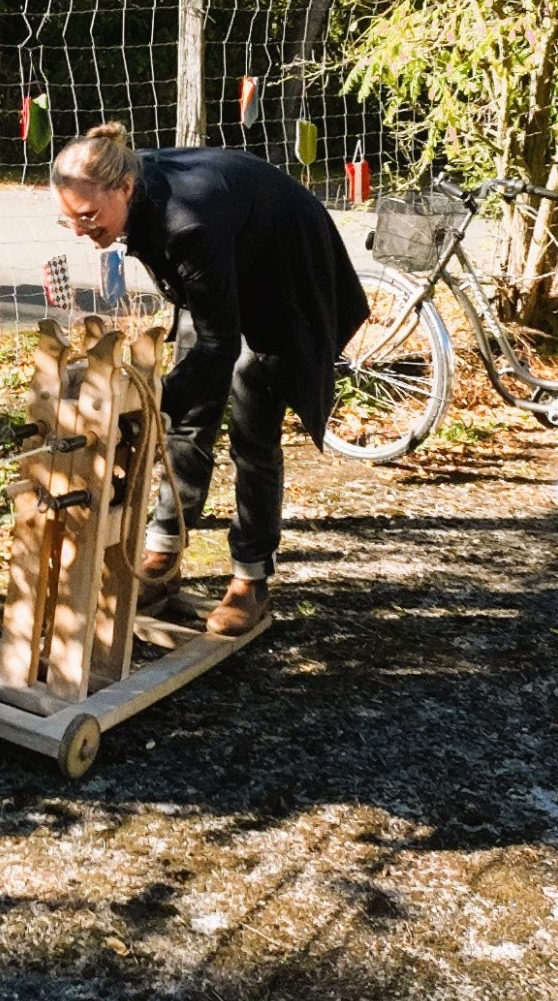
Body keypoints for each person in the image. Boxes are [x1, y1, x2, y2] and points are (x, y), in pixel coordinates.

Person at [49, 122, 368, 636]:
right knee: (188, 420)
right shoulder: (127, 176)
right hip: (224, 267)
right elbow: (206, 329)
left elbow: (220, 346)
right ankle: (164, 554)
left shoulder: (185, 221)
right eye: (71, 221)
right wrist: (161, 411)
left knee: (253, 428)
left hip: (285, 280)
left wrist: (147, 409)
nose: (83, 231)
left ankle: (250, 579)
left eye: (88, 217)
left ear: (124, 189)